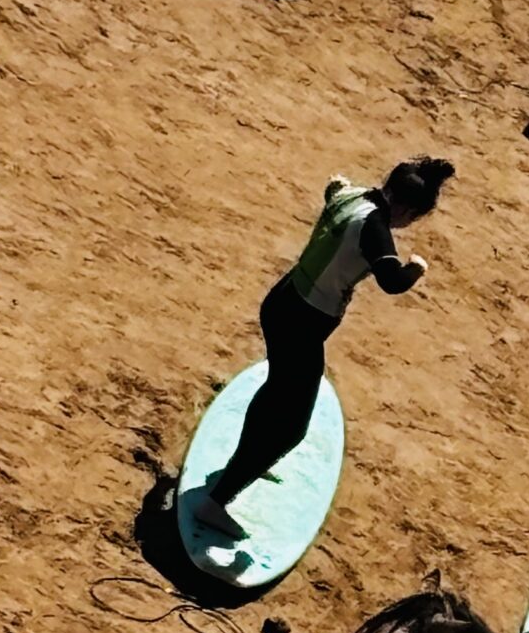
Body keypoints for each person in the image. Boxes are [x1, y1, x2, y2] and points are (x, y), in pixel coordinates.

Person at [191, 158, 452, 541]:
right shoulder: (375, 228)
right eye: (411, 219)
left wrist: (336, 188)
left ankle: (244, 461)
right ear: (405, 209)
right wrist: (415, 268)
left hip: (282, 300)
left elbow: (334, 187)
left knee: (274, 393)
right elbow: (392, 282)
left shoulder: (354, 195)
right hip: (302, 325)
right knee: (291, 427)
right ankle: (216, 501)